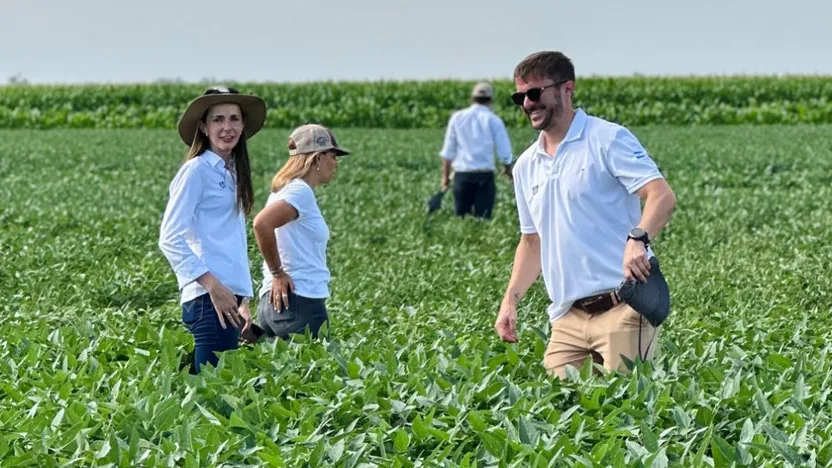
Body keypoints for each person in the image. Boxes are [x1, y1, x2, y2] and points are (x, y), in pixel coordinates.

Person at [493, 51, 678, 378]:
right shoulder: (525, 166)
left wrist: (638, 238)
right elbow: (531, 242)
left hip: (623, 307)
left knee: (628, 413)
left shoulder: (607, 139)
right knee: (559, 413)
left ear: (567, 88)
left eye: (534, 93)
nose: (527, 103)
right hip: (566, 318)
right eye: (519, 96)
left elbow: (661, 196)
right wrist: (510, 301)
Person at [158, 87, 266, 374]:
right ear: (204, 127)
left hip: (226, 299)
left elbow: (229, 241)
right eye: (218, 120)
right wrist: (213, 285)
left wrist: (241, 299)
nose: (227, 127)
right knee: (212, 398)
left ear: (243, 126)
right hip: (209, 299)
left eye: (234, 119)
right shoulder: (196, 171)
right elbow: (169, 238)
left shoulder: (232, 172)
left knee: (210, 394)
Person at [240, 123, 349, 344]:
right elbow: (261, 224)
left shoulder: (285, 190)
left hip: (275, 305)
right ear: (317, 158)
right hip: (300, 302)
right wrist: (278, 273)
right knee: (317, 374)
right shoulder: (300, 191)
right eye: (332, 155)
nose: (335, 163)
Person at [439, 82, 514, 219]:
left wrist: (445, 178)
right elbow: (505, 152)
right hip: (484, 178)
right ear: (491, 101)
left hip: (462, 177)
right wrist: (509, 170)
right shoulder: (494, 120)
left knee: (462, 221)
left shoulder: (457, 118)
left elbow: (448, 151)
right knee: (483, 220)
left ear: (472, 99)